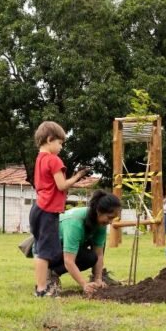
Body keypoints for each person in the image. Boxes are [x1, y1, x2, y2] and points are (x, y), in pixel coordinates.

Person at [29, 121, 88, 297]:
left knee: (42, 250)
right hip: (47, 210)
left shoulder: (40, 159)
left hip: (39, 208)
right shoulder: (53, 160)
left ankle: (40, 287)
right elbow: (61, 186)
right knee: (44, 252)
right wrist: (78, 176)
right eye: (60, 143)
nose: (61, 147)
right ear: (49, 139)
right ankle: (41, 289)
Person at [47, 190, 122, 296]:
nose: (110, 222)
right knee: (73, 257)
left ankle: (94, 277)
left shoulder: (100, 224)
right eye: (109, 217)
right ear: (99, 211)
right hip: (48, 250)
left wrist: (98, 279)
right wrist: (84, 284)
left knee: (92, 257)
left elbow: (99, 255)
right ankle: (50, 273)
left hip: (66, 248)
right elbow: (69, 260)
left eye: (113, 219)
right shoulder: (75, 223)